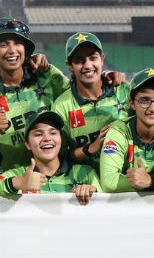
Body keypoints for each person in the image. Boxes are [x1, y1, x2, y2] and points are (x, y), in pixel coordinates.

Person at [0, 17, 70, 171]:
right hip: (15, 178)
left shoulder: (46, 75)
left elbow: (79, 101)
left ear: (25, 49)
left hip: (59, 174)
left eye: (18, 43)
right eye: (3, 45)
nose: (12, 50)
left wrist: (105, 78)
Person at [0, 111, 99, 205]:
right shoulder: (18, 175)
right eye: (38, 134)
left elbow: (104, 209)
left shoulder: (85, 173)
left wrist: (94, 193)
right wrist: (17, 183)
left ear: (61, 139)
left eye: (53, 133)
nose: (47, 138)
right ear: (27, 144)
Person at [50, 32, 130, 167]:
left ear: (102, 59)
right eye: (79, 60)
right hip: (86, 178)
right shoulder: (61, 107)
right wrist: (89, 149)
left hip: (125, 175)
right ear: (70, 65)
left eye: (93, 58)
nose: (87, 65)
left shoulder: (123, 90)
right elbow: (59, 156)